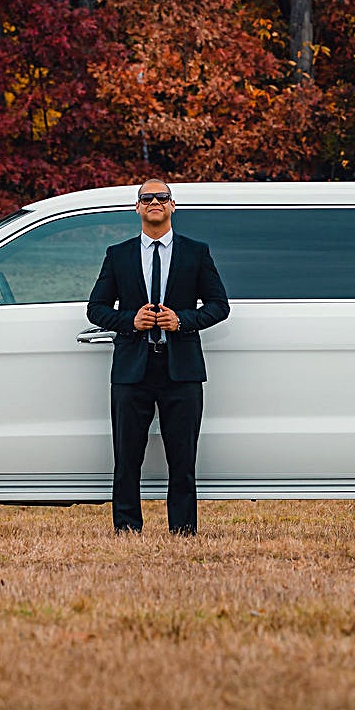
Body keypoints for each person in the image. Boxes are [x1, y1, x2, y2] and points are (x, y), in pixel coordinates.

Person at [86, 179, 230, 533]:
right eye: (146, 197)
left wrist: (182, 321)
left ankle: (182, 531)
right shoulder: (117, 255)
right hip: (132, 370)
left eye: (161, 197)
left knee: (182, 459)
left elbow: (218, 306)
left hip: (181, 370)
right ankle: (127, 529)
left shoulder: (195, 252)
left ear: (172, 205)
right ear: (137, 208)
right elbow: (96, 309)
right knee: (127, 457)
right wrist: (130, 321)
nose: (154, 201)